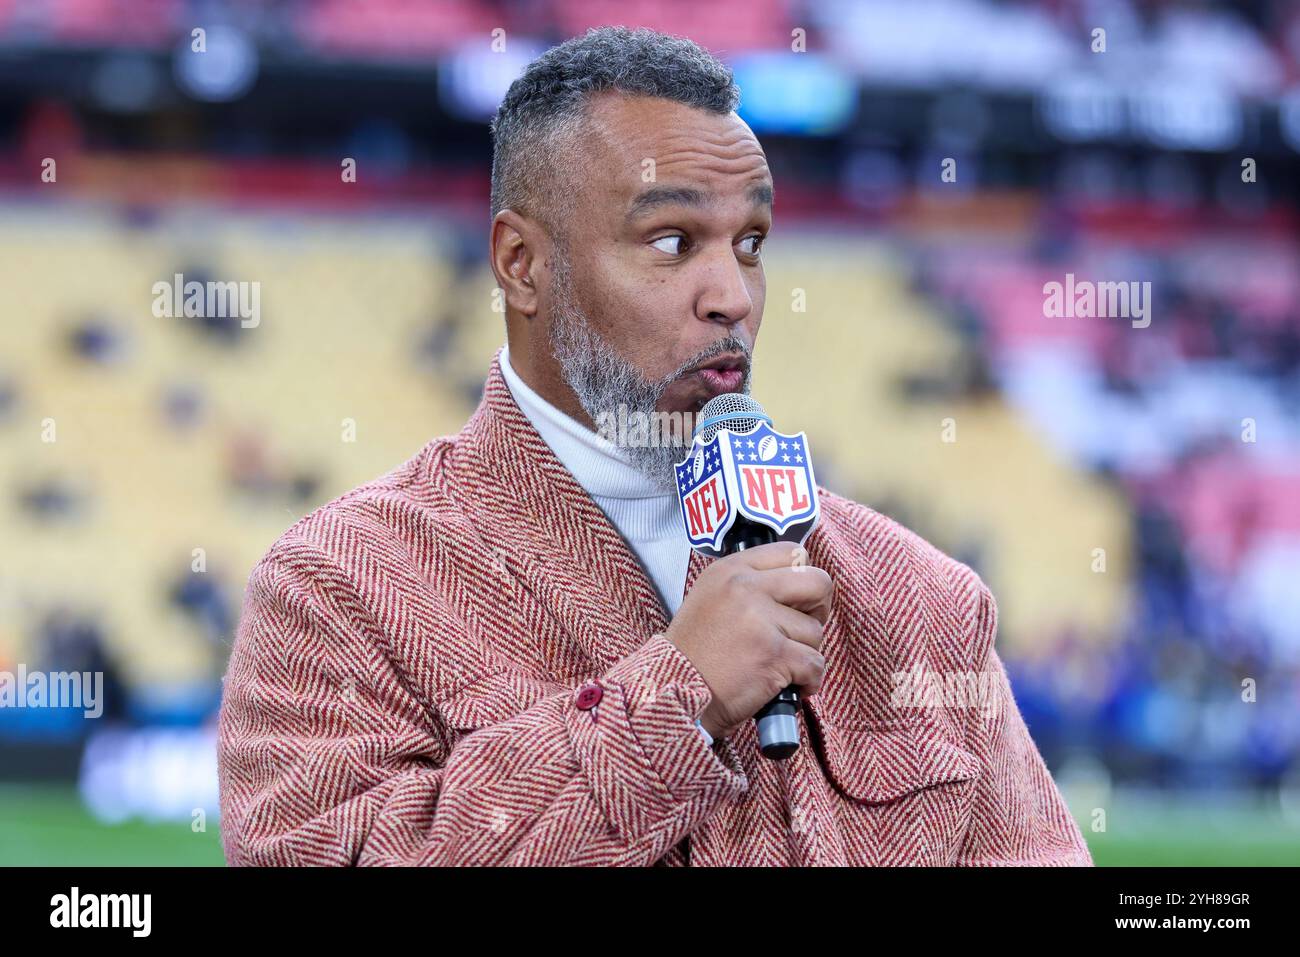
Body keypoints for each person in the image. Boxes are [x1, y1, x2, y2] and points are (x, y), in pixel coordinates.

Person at [217, 27, 1092, 866]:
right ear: (522, 264)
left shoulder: (922, 602)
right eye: (672, 241)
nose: (733, 297)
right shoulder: (338, 589)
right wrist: (676, 698)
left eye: (750, 244)